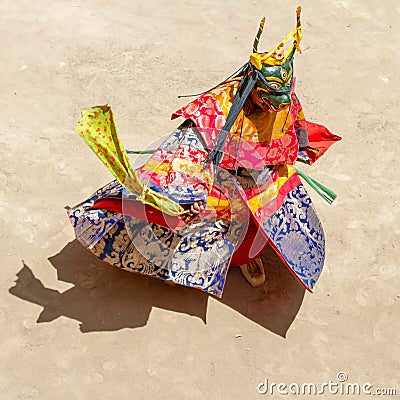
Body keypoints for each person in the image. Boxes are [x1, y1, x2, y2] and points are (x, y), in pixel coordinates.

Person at [68, 7, 341, 297]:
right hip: (217, 178)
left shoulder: (285, 102)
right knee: (196, 218)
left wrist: (295, 151)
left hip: (265, 177)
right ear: (252, 85)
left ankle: (246, 258)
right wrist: (192, 194)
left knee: (257, 228)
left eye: (281, 101)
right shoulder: (215, 109)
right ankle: (183, 264)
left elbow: (295, 129)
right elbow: (187, 150)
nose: (276, 107)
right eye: (268, 99)